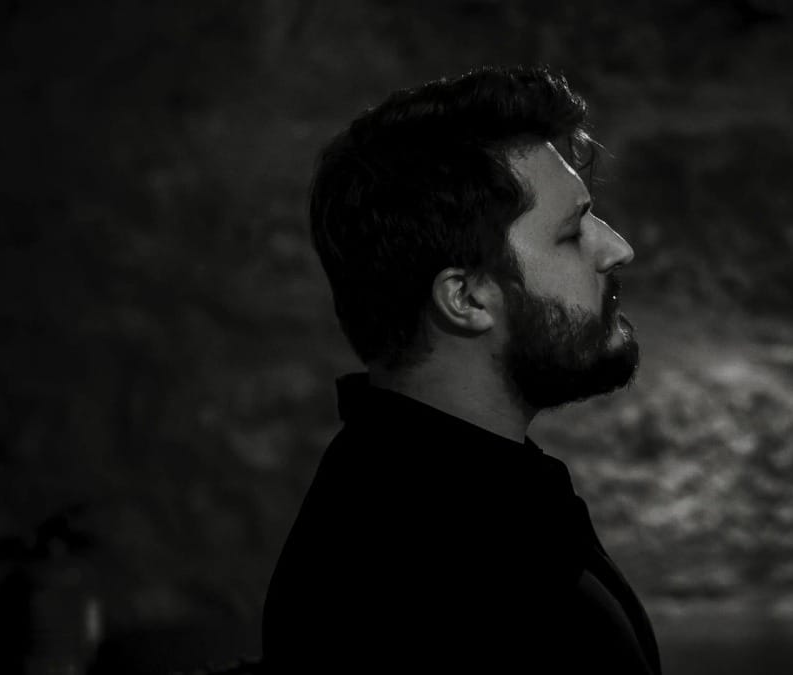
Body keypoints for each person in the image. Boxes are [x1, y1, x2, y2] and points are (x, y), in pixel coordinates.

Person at [261, 66, 660, 674]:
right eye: (572, 230)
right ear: (467, 299)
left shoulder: (459, 494)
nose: (616, 247)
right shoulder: (419, 574)